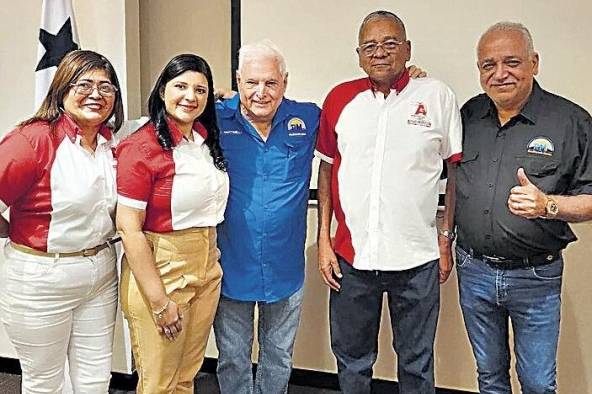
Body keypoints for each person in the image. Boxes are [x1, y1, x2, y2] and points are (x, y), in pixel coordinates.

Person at [316, 10, 462, 394]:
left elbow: (456, 175)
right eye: (370, 46)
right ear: (359, 54)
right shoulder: (339, 99)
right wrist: (324, 241)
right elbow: (327, 171)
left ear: (407, 49)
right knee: (351, 361)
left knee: (416, 365)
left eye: (390, 43)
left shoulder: (436, 96)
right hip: (351, 259)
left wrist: (446, 240)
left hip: (417, 261)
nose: (380, 52)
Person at [455, 22, 592, 394]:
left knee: (537, 382)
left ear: (534, 62)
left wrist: (547, 205)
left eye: (511, 62)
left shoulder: (571, 122)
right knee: (489, 376)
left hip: (536, 278)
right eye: (488, 65)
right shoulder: (468, 116)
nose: (500, 74)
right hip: (474, 271)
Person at [0, 49, 124, 393]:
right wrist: (13, 231)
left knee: (95, 380)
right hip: (41, 280)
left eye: (107, 87)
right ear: (62, 88)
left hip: (100, 271)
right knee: (46, 383)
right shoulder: (33, 139)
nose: (96, 95)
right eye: (85, 84)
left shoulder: (111, 142)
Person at [116, 54, 228, 394]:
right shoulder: (141, 146)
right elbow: (128, 227)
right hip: (162, 268)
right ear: (162, 90)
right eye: (180, 86)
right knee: (159, 383)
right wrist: (159, 301)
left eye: (200, 90)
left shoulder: (203, 138)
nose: (190, 97)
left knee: (186, 376)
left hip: (207, 264)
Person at [213, 40, 320, 394]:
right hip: (231, 264)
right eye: (252, 82)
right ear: (238, 80)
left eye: (271, 83)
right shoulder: (212, 118)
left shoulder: (308, 118)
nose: (261, 92)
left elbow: (360, 118)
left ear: (285, 82)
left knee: (278, 356)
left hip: (285, 266)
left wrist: (407, 82)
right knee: (232, 357)